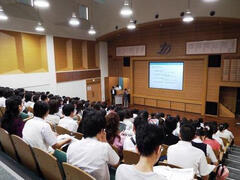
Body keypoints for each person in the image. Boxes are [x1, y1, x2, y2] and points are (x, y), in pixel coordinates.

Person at [67, 110, 119, 180]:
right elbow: (116, 164)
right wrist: (105, 141)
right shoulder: (104, 147)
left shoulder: (72, 146)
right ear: (102, 131)